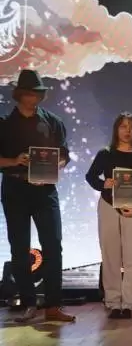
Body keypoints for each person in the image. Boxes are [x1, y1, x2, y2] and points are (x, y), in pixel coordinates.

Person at [0, 69, 75, 323]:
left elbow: (64, 155)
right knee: (19, 247)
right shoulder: (4, 124)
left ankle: (53, 305)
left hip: (45, 191)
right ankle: (28, 303)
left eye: (38, 93)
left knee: (53, 244)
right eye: (31, 93)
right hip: (15, 189)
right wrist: (14, 160)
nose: (35, 98)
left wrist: (55, 166)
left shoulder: (52, 121)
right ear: (20, 95)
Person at [85, 112, 132, 319]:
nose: (128, 131)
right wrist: (103, 184)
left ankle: (129, 302)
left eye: (131, 127)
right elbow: (90, 176)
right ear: (116, 129)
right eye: (123, 126)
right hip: (108, 206)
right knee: (110, 256)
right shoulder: (105, 154)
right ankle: (113, 301)